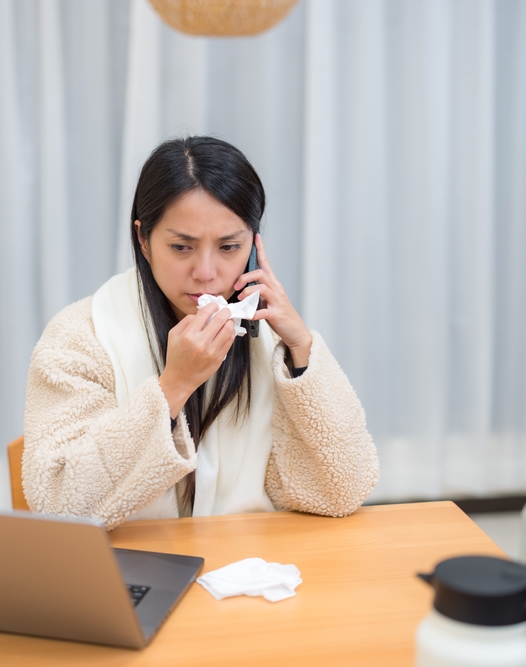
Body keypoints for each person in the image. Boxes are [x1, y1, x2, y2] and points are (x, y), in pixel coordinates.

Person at [23, 136, 378, 528]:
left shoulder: (269, 338)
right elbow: (58, 504)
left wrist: (301, 350)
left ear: (254, 246)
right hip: (130, 572)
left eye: (229, 247)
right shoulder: (80, 336)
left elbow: (341, 491)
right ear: (143, 240)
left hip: (245, 569)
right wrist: (173, 386)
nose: (206, 273)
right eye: (181, 247)